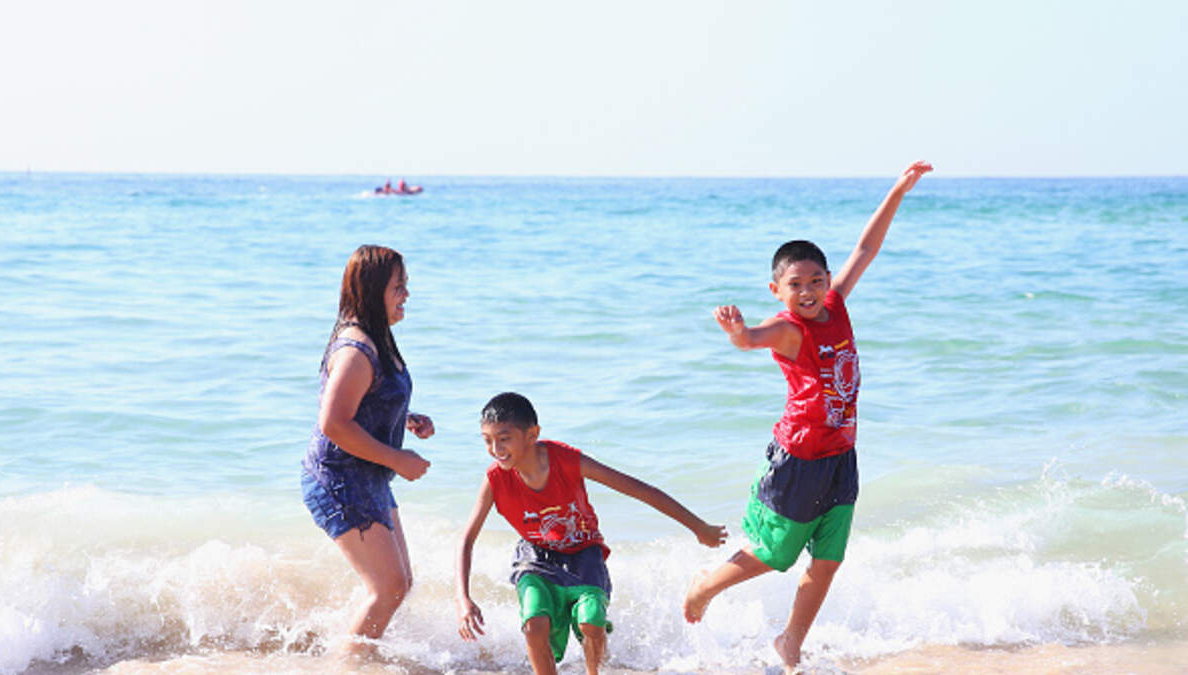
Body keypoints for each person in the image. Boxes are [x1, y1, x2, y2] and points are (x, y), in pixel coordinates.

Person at [683, 160, 933, 669]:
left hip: (840, 455)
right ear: (777, 291)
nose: (809, 291)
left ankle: (790, 641)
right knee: (776, 556)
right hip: (798, 458)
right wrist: (737, 332)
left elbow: (865, 249)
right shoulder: (788, 328)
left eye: (816, 280)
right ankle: (703, 586)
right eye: (796, 284)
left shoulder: (835, 305)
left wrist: (898, 190)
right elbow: (751, 340)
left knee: (828, 559)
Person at [457, 392, 728, 675]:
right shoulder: (495, 480)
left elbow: (640, 490)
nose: (495, 449)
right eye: (487, 440)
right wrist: (463, 599)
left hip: (584, 553)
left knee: (592, 623)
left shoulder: (566, 461)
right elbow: (466, 540)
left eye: (504, 438)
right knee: (534, 625)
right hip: (535, 556)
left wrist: (698, 527)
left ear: (532, 434)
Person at [300, 244, 434, 657]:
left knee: (399, 584)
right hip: (338, 480)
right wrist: (397, 459)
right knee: (388, 587)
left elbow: (367, 401)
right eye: (399, 287)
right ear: (374, 291)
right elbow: (333, 423)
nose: (406, 294)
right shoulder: (356, 350)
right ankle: (347, 664)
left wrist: (405, 418)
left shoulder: (379, 337)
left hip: (367, 475)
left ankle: (359, 655)